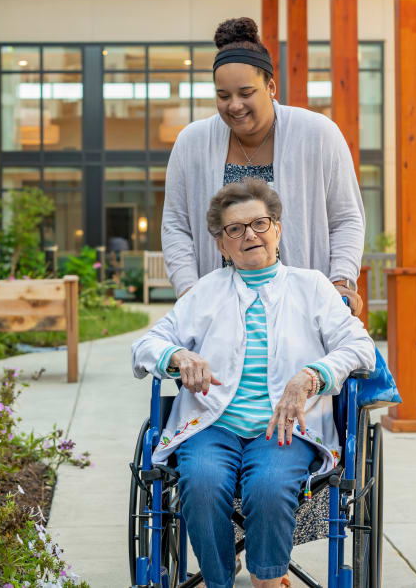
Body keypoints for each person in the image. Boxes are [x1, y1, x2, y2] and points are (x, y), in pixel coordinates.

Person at [132, 179, 374, 588]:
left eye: (259, 223)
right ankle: (219, 578)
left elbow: (360, 347)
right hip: (212, 425)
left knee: (269, 485)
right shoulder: (205, 292)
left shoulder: (312, 286)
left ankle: (267, 576)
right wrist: (176, 355)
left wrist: (312, 375)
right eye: (235, 229)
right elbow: (146, 344)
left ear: (277, 229)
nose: (250, 235)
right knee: (202, 484)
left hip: (285, 426)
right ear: (222, 244)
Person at [162, 17, 365, 315]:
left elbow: (346, 217)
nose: (234, 105)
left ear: (270, 86)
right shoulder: (191, 142)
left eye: (246, 93)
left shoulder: (319, 134)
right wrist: (190, 291)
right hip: (218, 312)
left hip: (304, 309)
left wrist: (340, 281)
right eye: (223, 96)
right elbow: (176, 225)